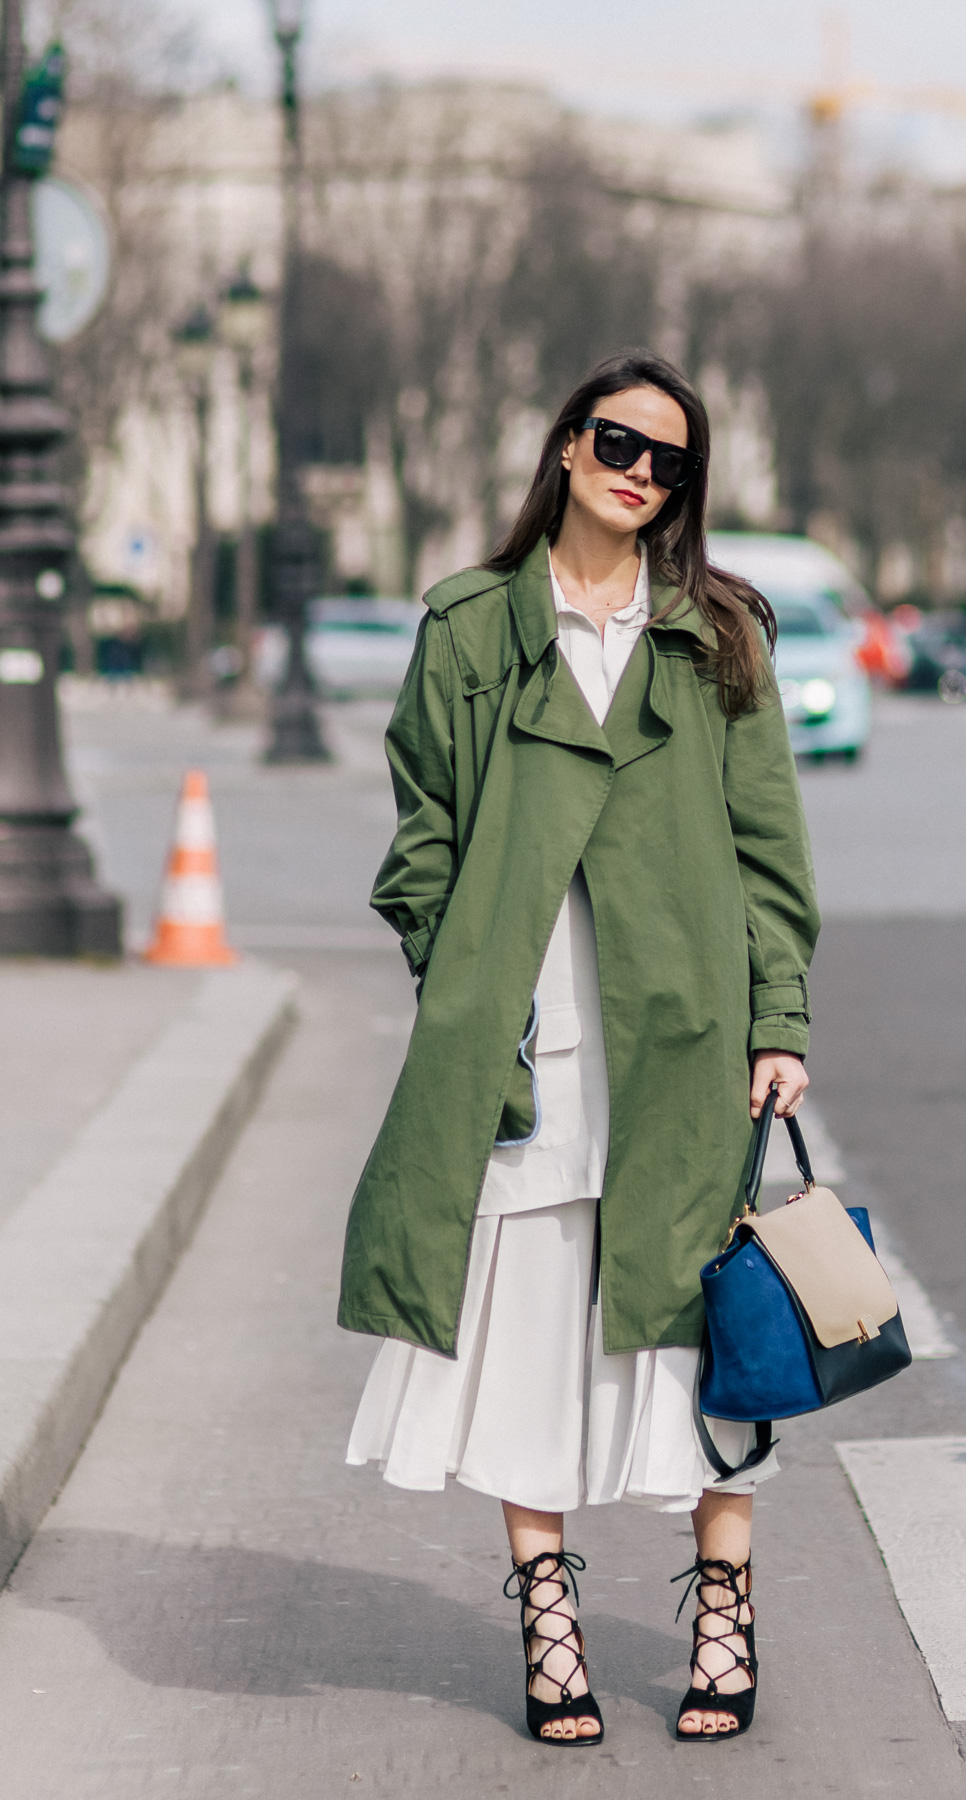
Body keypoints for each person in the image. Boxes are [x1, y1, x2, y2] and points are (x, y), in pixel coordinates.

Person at [339, 349, 820, 1745]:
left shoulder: (720, 631)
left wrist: (778, 1021)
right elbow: (421, 832)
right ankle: (549, 1621)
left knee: (712, 1326)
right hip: (527, 1045)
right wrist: (459, 981)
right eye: (620, 442)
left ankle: (724, 1607)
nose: (641, 472)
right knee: (529, 1333)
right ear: (563, 446)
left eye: (670, 460)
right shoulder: (474, 625)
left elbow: (769, 851)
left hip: (684, 1041)